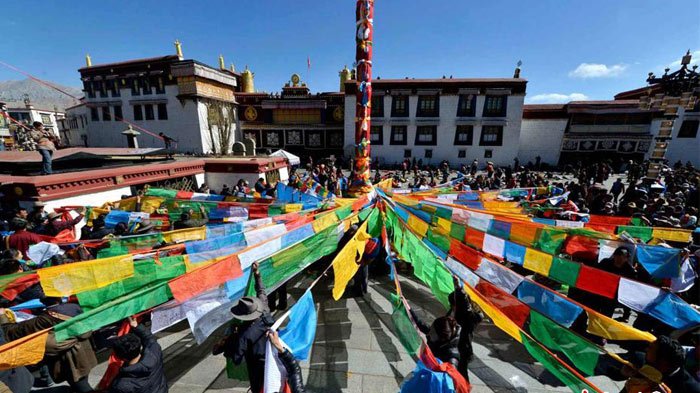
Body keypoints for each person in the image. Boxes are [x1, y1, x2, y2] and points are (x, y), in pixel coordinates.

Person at [0, 299, 97, 392]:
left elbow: (11, 332)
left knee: (82, 387)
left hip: (71, 364)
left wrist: (3, 317)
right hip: (83, 359)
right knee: (81, 385)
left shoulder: (44, 319)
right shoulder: (74, 308)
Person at [214, 262, 273, 393]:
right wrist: (257, 275)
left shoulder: (244, 335)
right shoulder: (265, 311)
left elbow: (237, 358)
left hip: (258, 368)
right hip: (273, 361)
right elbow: (261, 292)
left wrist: (229, 341)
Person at [109, 316, 168, 393]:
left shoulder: (121, 385)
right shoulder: (155, 353)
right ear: (140, 347)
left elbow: (149, 339)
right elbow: (150, 339)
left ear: (121, 358)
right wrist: (136, 326)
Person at [623, 336, 699, 393]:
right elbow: (613, 369)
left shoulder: (691, 389)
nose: (646, 350)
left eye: (650, 348)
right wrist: (622, 372)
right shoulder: (640, 361)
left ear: (663, 362)